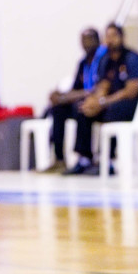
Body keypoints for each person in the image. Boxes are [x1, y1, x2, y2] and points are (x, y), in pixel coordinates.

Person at [67, 23, 138, 175]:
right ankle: (84, 159)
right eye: (108, 36)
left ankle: (109, 161)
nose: (110, 40)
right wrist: (94, 101)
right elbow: (103, 86)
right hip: (112, 101)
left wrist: (103, 102)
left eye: (114, 36)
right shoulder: (106, 61)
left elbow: (131, 91)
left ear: (122, 37)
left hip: (136, 105)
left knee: (112, 111)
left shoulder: (132, 58)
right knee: (83, 109)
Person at [41, 27, 102, 173]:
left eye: (89, 40)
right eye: (83, 41)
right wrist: (61, 95)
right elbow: (76, 88)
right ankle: (59, 158)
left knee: (81, 107)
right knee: (57, 109)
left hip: (99, 103)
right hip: (83, 99)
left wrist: (70, 96)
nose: (86, 44)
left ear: (97, 41)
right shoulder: (83, 63)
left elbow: (99, 88)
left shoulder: (104, 59)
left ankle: (85, 158)